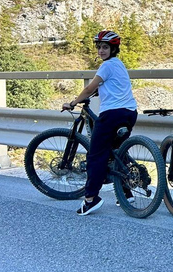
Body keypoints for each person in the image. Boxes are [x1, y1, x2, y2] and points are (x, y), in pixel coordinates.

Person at [62, 30, 138, 216]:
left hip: (112, 115)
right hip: (130, 113)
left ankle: (91, 199)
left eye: (105, 47)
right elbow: (113, 86)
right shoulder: (119, 65)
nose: (101, 51)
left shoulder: (106, 66)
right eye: (99, 47)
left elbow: (89, 88)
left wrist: (73, 102)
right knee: (117, 151)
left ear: (113, 49)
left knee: (96, 155)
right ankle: (126, 194)